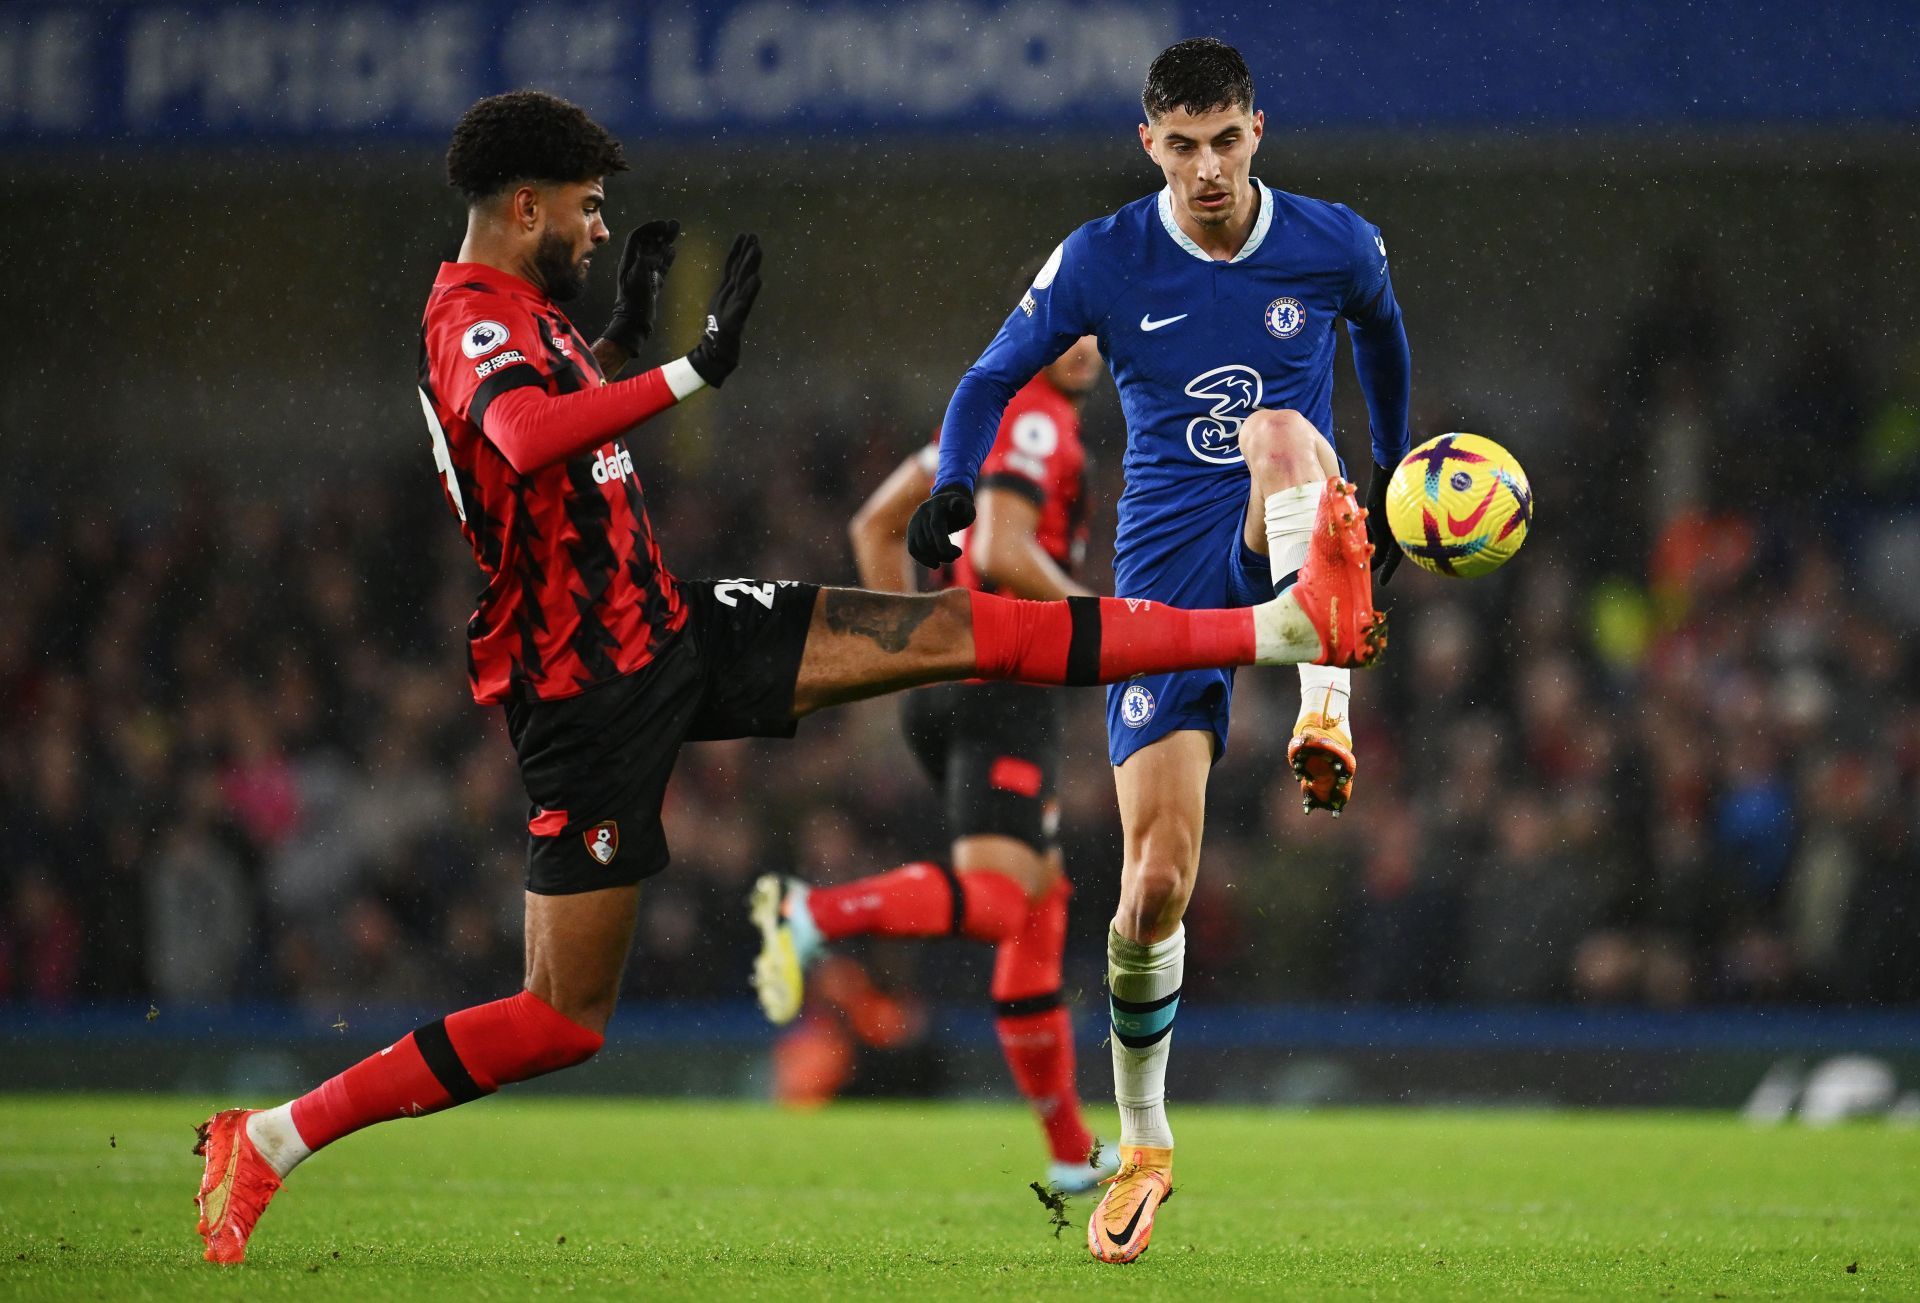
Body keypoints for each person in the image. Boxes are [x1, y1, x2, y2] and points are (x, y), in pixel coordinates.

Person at [188, 89, 1384, 1266]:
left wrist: (619, 340)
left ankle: (1280, 632)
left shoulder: (525, 314)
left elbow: (552, 416)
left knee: (961, 628)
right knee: (557, 1019)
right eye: (589, 210)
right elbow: (515, 439)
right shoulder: (471, 318)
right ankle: (273, 1139)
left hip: (669, 623)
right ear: (524, 204)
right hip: (586, 689)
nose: (601, 230)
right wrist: (689, 374)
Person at [903, 38, 1412, 1263]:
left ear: (1256, 132)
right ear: (1151, 144)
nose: (1205, 169)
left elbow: (1384, 347)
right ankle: (1144, 1142)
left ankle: (1321, 699)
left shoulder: (1336, 241)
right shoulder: (1102, 257)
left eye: (1225, 140)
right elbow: (988, 375)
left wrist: (1392, 475)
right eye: (1180, 146)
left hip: (1284, 515)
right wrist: (957, 485)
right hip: (1166, 579)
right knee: (1152, 886)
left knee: (1291, 431)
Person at [751, 334, 1121, 1195]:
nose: (1085, 347)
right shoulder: (1039, 423)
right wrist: (1100, 629)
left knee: (1039, 903)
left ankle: (1069, 1147)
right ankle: (815, 913)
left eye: (1093, 331)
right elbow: (999, 549)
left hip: (954, 679)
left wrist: (911, 647)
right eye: (1066, 329)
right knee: (1001, 899)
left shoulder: (977, 420)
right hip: (1005, 680)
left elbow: (872, 522)